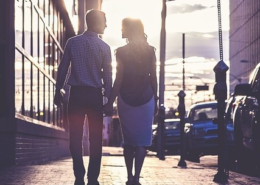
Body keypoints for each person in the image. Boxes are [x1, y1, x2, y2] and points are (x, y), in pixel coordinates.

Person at [54, 9, 112, 185]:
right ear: (96, 22)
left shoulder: (73, 42)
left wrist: (58, 91)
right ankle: (93, 178)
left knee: (75, 138)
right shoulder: (105, 47)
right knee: (96, 139)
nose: (106, 25)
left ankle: (79, 175)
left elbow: (63, 68)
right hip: (94, 96)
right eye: (104, 21)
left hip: (76, 96)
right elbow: (108, 77)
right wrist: (108, 100)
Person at [104, 18, 158, 185]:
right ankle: (136, 178)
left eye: (123, 28)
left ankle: (129, 178)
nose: (121, 31)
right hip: (146, 100)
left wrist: (109, 102)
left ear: (130, 30)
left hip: (126, 100)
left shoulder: (120, 52)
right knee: (142, 141)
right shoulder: (150, 51)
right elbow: (153, 77)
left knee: (129, 141)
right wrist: (155, 99)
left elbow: (118, 79)